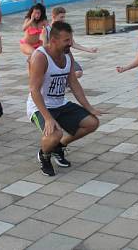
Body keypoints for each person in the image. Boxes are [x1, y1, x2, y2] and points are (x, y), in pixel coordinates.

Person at [28, 21, 102, 176]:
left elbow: (74, 83)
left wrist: (89, 107)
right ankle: (44, 155)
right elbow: (34, 90)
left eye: (71, 39)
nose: (70, 43)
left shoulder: (68, 55)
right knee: (55, 134)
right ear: (53, 40)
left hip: (60, 104)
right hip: (40, 106)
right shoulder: (40, 57)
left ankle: (59, 147)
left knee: (92, 123)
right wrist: (48, 118)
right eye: (66, 40)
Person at [42, 7, 98, 78]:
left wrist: (89, 49)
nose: (63, 19)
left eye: (64, 17)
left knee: (78, 72)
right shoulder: (47, 30)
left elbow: (73, 44)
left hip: (66, 56)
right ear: (53, 16)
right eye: (61, 17)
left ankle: (66, 82)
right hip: (54, 58)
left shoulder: (65, 28)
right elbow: (44, 47)